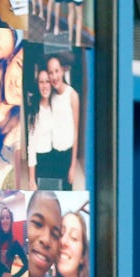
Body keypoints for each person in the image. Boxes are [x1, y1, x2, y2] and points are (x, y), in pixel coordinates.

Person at [46, 53, 80, 189]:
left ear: (62, 71)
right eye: (50, 73)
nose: (54, 76)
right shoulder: (51, 96)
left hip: (67, 155)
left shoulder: (72, 95)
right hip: (53, 152)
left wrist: (72, 166)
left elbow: (76, 132)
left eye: (56, 71)